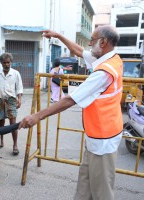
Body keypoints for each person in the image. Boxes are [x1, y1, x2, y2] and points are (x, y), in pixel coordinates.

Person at [19, 25, 123, 200]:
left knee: (102, 192)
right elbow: (79, 50)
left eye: (92, 40)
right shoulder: (110, 59)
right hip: (95, 137)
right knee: (84, 187)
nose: (89, 44)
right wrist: (59, 35)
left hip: (103, 139)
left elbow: (69, 100)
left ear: (103, 42)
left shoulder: (104, 72)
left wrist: (37, 116)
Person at [0, 52, 23, 155]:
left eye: (8, 62)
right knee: (1, 123)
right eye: (4, 63)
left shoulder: (15, 73)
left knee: (13, 124)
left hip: (11, 100)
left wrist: (19, 99)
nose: (6, 64)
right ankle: (1, 140)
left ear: (11, 62)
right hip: (0, 100)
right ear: (1, 63)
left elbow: (19, 87)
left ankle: (15, 145)